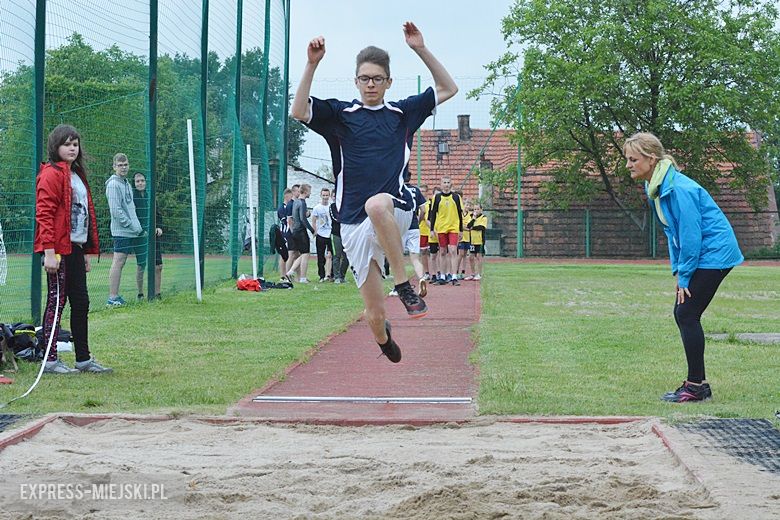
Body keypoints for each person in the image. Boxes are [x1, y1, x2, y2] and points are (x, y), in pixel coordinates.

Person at [291, 21, 457, 362]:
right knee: (374, 315)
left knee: (377, 204)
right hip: (352, 224)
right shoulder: (341, 115)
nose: (370, 84)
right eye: (365, 78)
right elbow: (298, 111)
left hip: (392, 207)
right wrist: (311, 63)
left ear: (388, 82)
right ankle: (383, 339)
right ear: (356, 81)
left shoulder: (402, 114)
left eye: (377, 78)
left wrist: (420, 48)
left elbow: (448, 87)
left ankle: (403, 285)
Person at [624, 132, 743, 403]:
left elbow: (691, 236)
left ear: (651, 159)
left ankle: (696, 387)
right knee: (684, 313)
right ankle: (697, 384)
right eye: (627, 159)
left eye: (633, 159)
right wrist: (678, 270)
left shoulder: (679, 189)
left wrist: (686, 275)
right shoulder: (656, 186)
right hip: (701, 252)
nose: (628, 165)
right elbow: (672, 232)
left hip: (715, 253)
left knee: (687, 312)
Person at [34, 124, 112, 374]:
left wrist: (86, 252)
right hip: (57, 251)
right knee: (57, 302)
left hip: (75, 249)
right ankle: (50, 359)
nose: (72, 148)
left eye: (75, 144)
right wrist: (48, 252)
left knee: (81, 302)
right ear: (56, 147)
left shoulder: (77, 175)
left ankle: (83, 359)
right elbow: (44, 215)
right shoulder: (51, 174)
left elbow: (84, 216)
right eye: (67, 144)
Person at [105, 153, 145, 306]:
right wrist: (131, 225)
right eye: (120, 165)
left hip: (132, 230)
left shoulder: (127, 183)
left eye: (125, 164)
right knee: (118, 261)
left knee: (123, 262)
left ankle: (116, 296)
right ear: (114, 167)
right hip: (122, 231)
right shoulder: (113, 184)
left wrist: (137, 227)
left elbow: (130, 208)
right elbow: (116, 211)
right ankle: (112, 298)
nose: (123, 167)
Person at [132, 172, 163, 300]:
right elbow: (133, 217)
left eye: (142, 180)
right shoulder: (132, 198)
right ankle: (140, 293)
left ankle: (157, 293)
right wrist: (141, 231)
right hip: (140, 236)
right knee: (141, 265)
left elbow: (158, 214)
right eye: (137, 181)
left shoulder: (151, 197)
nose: (140, 183)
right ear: (134, 184)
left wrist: (159, 227)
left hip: (153, 236)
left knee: (158, 265)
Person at [429, 176, 464, 285]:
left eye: (448, 182)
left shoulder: (456, 197)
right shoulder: (437, 197)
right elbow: (433, 214)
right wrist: (431, 229)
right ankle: (443, 276)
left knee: (453, 250)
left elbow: (460, 214)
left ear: (451, 184)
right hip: (441, 228)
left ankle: (454, 276)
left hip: (453, 227)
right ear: (441, 184)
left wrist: (461, 230)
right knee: (443, 251)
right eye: (444, 182)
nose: (446, 184)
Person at [285, 183, 314, 283]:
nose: (310, 193)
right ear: (305, 192)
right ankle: (302, 278)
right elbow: (302, 219)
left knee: (302, 254)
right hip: (301, 232)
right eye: (310, 191)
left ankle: (291, 272)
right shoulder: (302, 203)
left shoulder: (296, 202)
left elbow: (297, 216)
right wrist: (312, 230)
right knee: (305, 254)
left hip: (296, 232)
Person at [311, 187, 334, 282]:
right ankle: (321, 275)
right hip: (321, 234)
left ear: (329, 196)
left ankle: (331, 274)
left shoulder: (332, 206)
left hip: (331, 234)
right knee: (320, 256)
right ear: (321, 196)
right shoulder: (317, 208)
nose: (325, 197)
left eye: (327, 195)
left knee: (332, 255)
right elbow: (313, 219)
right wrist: (314, 230)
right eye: (323, 195)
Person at [465, 203, 487, 281]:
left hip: (480, 241)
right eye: (475, 209)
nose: (476, 211)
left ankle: (479, 274)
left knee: (479, 256)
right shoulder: (471, 217)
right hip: (472, 240)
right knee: (471, 257)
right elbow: (468, 226)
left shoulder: (483, 217)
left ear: (481, 209)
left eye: (478, 209)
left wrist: (472, 228)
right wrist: (473, 219)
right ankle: (473, 273)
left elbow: (481, 227)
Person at [329, 200, 349, 284]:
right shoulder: (332, 206)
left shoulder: (346, 204)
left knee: (347, 256)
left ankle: (342, 276)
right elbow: (334, 218)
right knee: (336, 256)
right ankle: (336, 277)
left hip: (346, 234)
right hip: (336, 234)